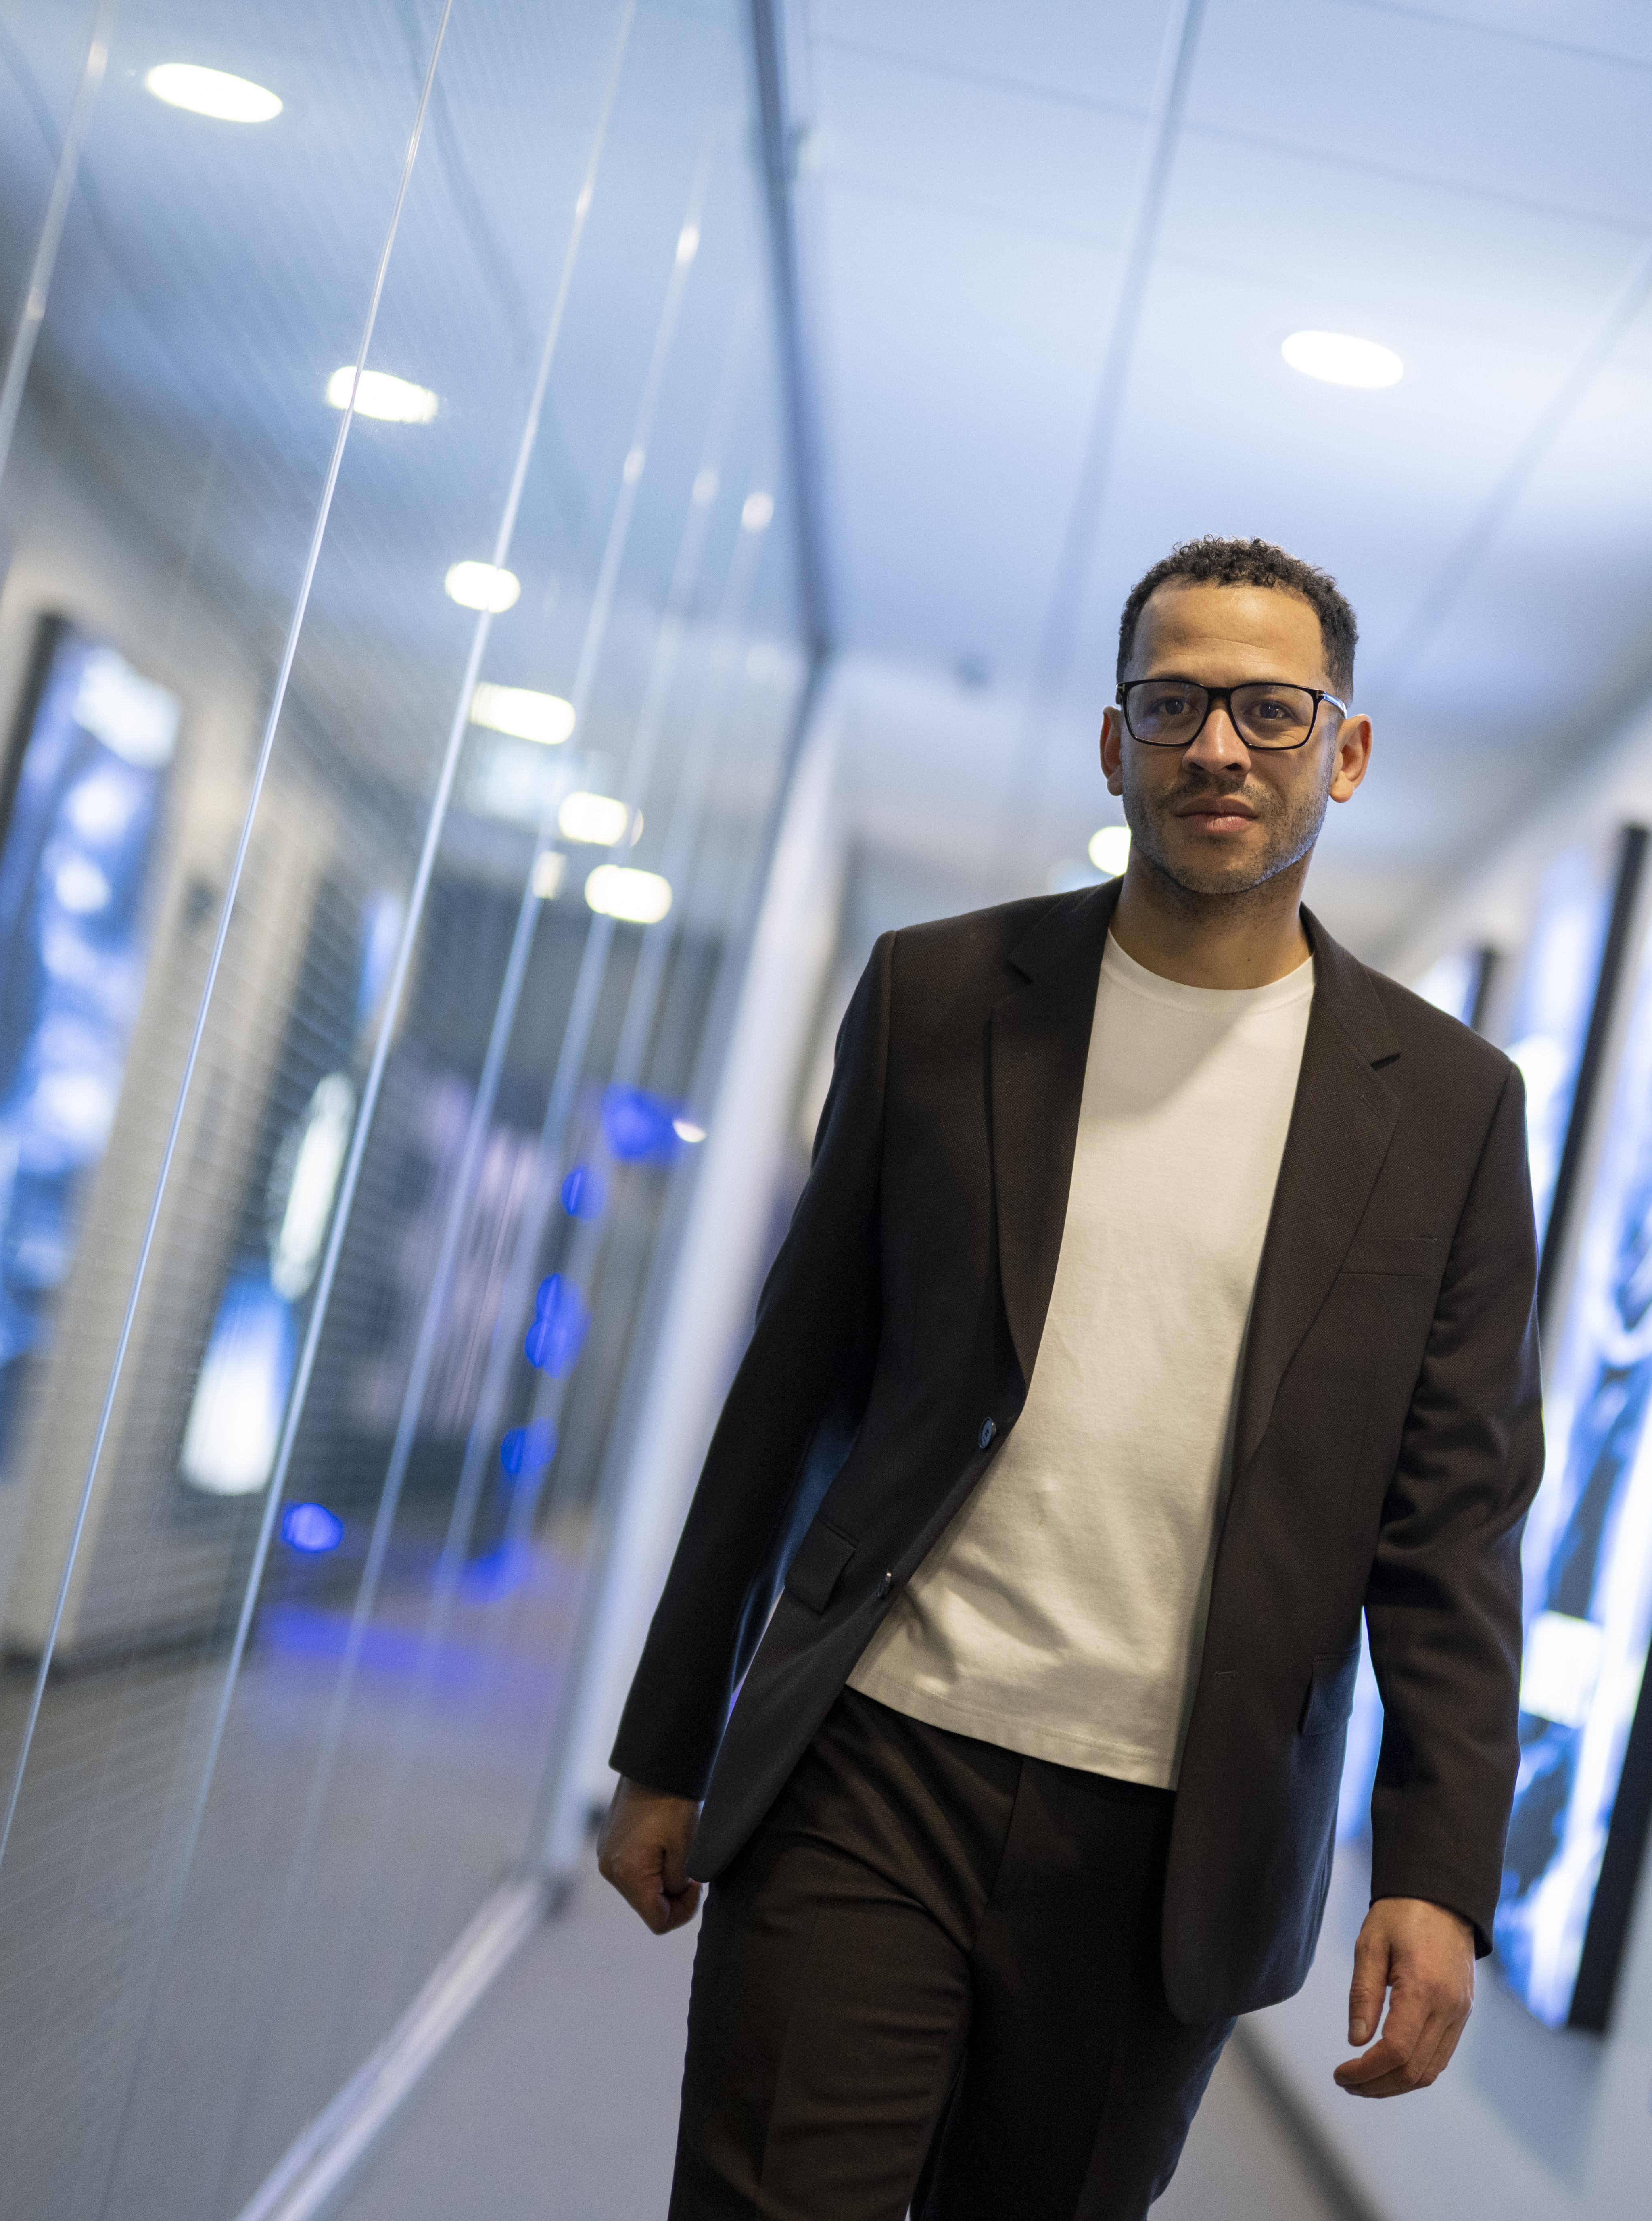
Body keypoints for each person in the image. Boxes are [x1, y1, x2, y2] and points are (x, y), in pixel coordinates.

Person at [599, 536, 1543, 2216]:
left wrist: (1441, 1869)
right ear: (1116, 742)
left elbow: (1451, 1520)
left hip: (1173, 1835)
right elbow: (789, 1386)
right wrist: (670, 1734)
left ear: (1348, 746)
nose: (1218, 749)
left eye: (1270, 708)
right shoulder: (941, 994)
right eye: (1172, 704)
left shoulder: (1449, 1106)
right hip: (872, 1756)